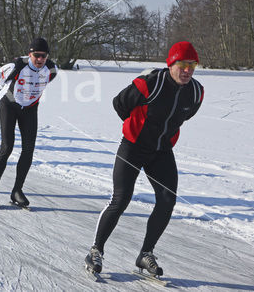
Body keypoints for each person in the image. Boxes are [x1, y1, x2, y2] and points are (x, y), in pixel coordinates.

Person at [84, 41, 204, 278]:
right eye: (182, 64)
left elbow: (184, 116)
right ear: (171, 64)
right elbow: (119, 104)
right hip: (133, 146)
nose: (188, 70)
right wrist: (136, 127)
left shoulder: (196, 92)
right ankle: (95, 250)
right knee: (121, 199)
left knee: (167, 200)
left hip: (161, 151)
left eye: (192, 65)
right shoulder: (151, 83)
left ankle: (145, 254)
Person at [0, 38, 58, 209]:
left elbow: (45, 82)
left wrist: (28, 100)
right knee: (7, 147)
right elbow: (0, 80)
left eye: (43, 56)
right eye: (36, 55)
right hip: (9, 105)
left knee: (28, 149)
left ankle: (17, 190)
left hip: (30, 108)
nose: (40, 60)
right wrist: (14, 99)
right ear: (29, 53)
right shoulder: (15, 66)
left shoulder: (52, 70)